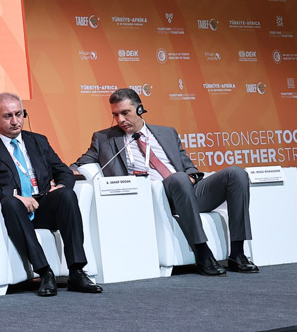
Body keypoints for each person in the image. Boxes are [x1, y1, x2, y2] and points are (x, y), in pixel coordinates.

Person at [75, 88, 257, 276]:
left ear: (139, 109)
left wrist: (192, 177)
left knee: (237, 174)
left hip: (187, 190)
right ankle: (203, 253)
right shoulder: (104, 139)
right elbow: (80, 163)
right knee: (178, 178)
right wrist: (66, 174)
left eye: (125, 113)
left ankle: (238, 253)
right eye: (115, 115)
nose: (120, 119)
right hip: (156, 199)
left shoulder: (167, 133)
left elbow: (189, 167)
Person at [0, 92, 103, 296]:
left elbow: (64, 171)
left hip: (43, 205)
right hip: (13, 211)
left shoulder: (38, 141)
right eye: (8, 116)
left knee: (66, 195)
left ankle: (76, 271)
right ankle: (44, 272)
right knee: (11, 204)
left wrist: (60, 186)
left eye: (19, 114)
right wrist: (14, 196)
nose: (15, 121)